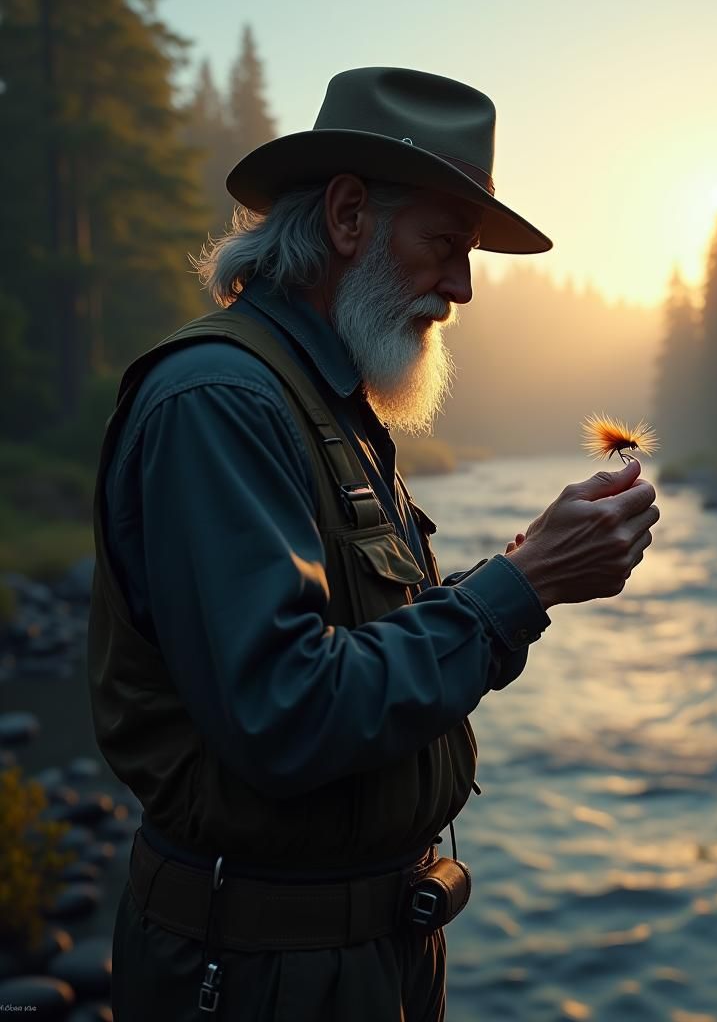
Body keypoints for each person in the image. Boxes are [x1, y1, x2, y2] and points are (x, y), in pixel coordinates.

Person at [88, 67, 659, 1021]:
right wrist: (521, 586)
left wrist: (519, 577)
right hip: (256, 975)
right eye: (447, 243)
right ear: (348, 216)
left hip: (357, 957)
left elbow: (350, 647)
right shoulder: (221, 405)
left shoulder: (327, 406)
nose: (464, 286)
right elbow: (287, 711)